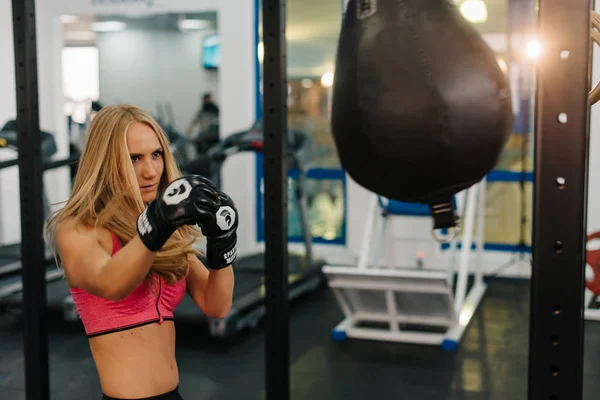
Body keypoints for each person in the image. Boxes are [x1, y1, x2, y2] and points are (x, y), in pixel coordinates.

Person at [45, 104, 237, 400]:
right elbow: (111, 283)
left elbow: (217, 306)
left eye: (156, 155)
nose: (150, 171)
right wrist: (158, 223)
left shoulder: (166, 228)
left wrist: (222, 241)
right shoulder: (79, 228)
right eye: (134, 158)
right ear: (107, 162)